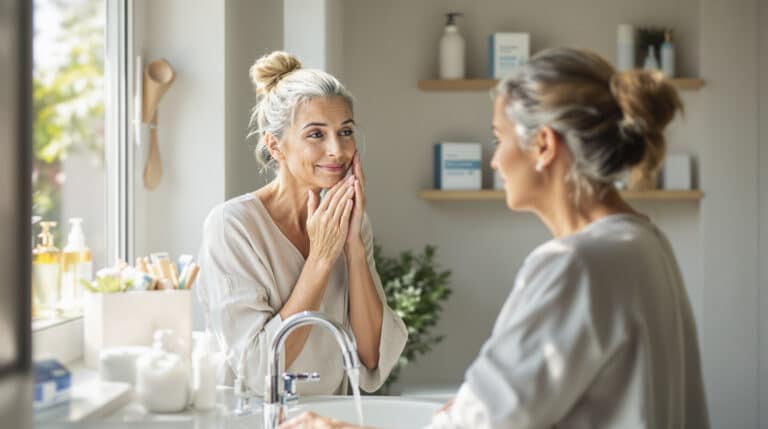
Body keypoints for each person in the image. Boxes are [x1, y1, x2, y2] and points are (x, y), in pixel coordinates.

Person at [280, 47, 709, 428]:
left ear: (543, 146)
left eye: (499, 138)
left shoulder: (574, 265)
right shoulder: (644, 243)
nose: (494, 161)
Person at [196, 51, 407, 395]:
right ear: (275, 146)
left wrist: (352, 245)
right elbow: (260, 368)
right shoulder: (232, 227)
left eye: (346, 131)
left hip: (329, 418)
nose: (337, 150)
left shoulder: (351, 223)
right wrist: (321, 258)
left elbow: (370, 358)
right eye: (316, 134)